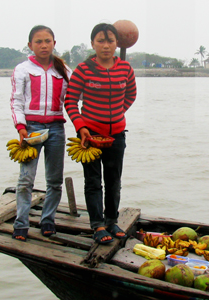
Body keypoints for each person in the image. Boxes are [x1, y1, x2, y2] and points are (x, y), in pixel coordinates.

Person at [64, 23, 137, 244]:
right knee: (93, 181)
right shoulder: (83, 70)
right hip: (90, 136)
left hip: (116, 136)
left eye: (110, 41)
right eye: (100, 41)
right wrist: (82, 126)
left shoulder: (125, 69)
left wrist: (115, 115)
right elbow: (70, 101)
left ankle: (112, 221)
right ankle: (97, 225)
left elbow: (131, 95)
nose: (106, 46)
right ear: (93, 43)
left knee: (114, 180)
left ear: (116, 43)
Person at [10, 25, 72, 242]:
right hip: (32, 128)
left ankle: (48, 220)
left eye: (48, 41)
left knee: (54, 180)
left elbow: (74, 99)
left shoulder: (63, 70)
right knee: (25, 179)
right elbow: (16, 101)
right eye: (39, 41)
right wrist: (21, 128)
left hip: (56, 128)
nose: (44, 45)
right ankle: (21, 224)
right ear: (30, 45)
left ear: (54, 43)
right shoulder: (23, 69)